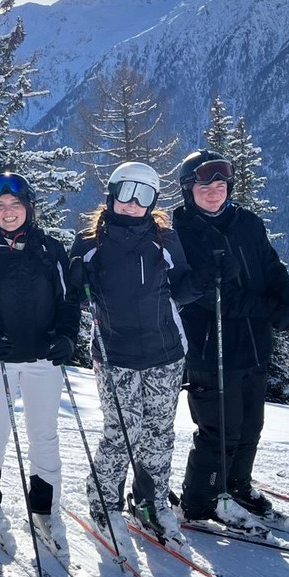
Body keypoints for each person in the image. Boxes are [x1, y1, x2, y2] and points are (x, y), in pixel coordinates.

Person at [172, 149, 289, 529]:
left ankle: (236, 485)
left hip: (253, 343)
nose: (214, 191)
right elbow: (212, 296)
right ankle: (200, 501)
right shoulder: (179, 232)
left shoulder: (246, 222)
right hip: (209, 345)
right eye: (204, 185)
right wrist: (271, 311)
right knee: (219, 430)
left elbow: (273, 271)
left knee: (250, 425)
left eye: (220, 184)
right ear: (187, 189)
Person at [69, 162, 197, 551]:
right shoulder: (89, 244)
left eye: (143, 196)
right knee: (122, 434)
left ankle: (152, 502)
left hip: (165, 353)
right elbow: (73, 295)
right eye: (126, 192)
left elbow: (181, 287)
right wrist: (77, 281)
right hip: (115, 354)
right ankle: (103, 499)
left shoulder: (165, 239)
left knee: (159, 434)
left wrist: (202, 283)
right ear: (110, 195)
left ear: (153, 202)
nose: (132, 203)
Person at [0, 172, 79, 562]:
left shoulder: (50, 250)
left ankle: (44, 507)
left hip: (43, 357)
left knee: (45, 434)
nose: (9, 213)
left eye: (16, 205)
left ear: (29, 207)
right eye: (0, 207)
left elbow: (68, 302)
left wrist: (66, 337)